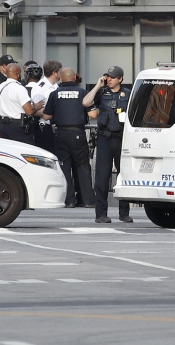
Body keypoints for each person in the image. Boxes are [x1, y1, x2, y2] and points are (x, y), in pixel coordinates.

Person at [82, 66, 132, 224]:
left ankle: (124, 213)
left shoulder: (128, 94)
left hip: (122, 139)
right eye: (107, 77)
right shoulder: (102, 93)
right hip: (104, 138)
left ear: (120, 79)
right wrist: (98, 85)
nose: (109, 79)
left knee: (123, 176)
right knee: (102, 178)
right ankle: (101, 214)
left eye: (112, 77)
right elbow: (85, 102)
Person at [42, 68, 95, 208]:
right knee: (83, 166)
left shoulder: (54, 94)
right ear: (75, 77)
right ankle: (88, 200)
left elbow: (46, 116)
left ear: (61, 79)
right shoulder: (83, 93)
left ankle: (69, 200)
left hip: (60, 133)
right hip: (78, 133)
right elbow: (93, 115)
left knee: (64, 167)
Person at [0, 63, 37, 144]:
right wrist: (37, 106)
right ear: (17, 74)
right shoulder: (19, 88)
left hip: (4, 126)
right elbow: (29, 111)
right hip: (19, 127)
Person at [28, 60, 61, 153]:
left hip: (57, 127)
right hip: (45, 128)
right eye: (60, 72)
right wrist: (52, 115)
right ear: (54, 73)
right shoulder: (40, 87)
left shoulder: (56, 86)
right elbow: (37, 110)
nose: (61, 74)